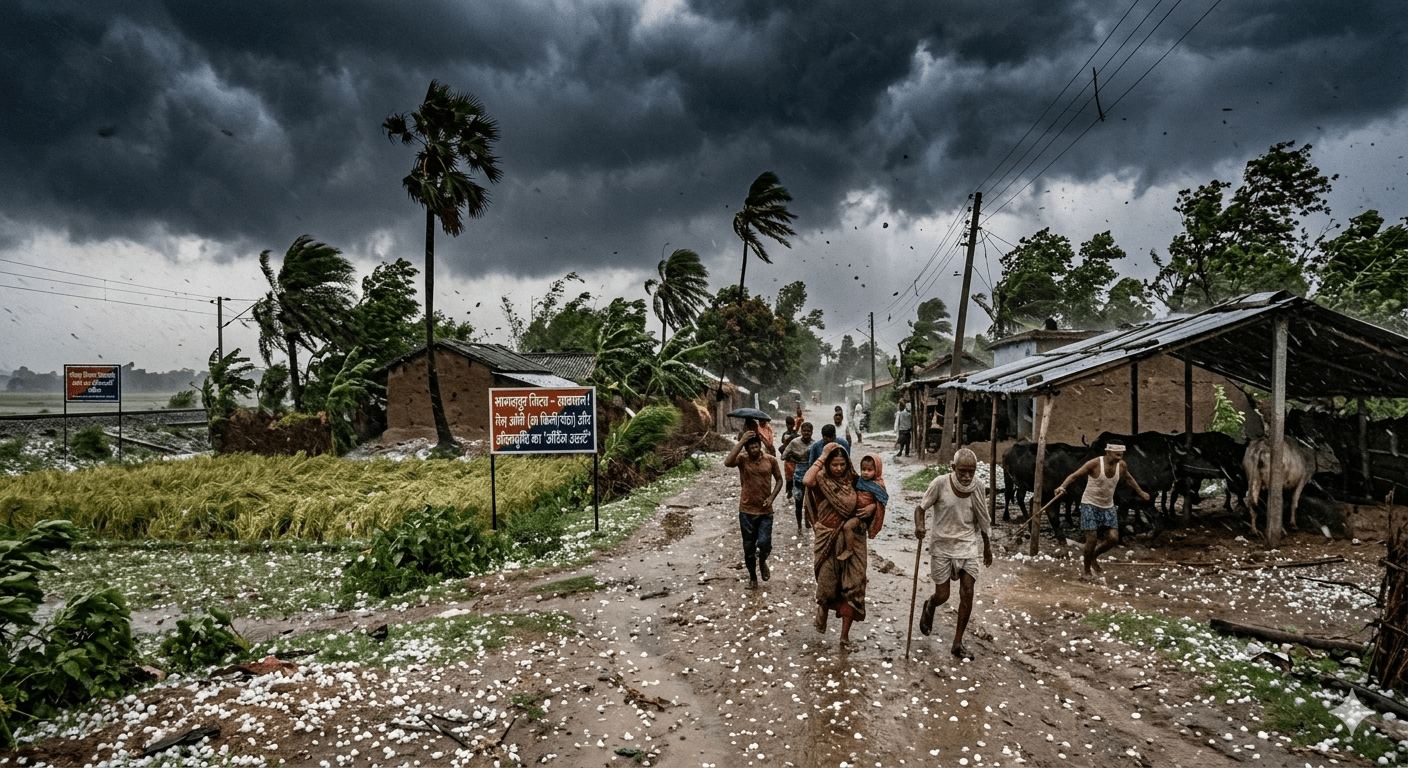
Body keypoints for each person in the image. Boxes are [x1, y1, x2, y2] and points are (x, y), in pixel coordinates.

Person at [915, 448, 993, 660]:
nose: (967, 476)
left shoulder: (978, 486)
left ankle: (957, 643)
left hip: (967, 545)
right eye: (962, 471)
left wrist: (987, 546)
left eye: (971, 471)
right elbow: (920, 509)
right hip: (942, 544)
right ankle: (930, 604)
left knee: (967, 593)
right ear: (953, 468)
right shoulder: (940, 483)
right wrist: (920, 526)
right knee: (943, 595)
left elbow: (983, 517)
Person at [804, 442, 875, 648]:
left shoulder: (854, 480)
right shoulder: (820, 479)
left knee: (854, 586)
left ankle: (844, 636)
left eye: (842, 464)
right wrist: (823, 455)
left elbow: (876, 494)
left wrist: (872, 507)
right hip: (827, 536)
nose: (838, 469)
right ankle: (823, 609)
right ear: (827, 464)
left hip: (853, 537)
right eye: (834, 464)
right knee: (827, 584)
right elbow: (807, 480)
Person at [1052, 443, 1149, 581]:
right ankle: (1086, 571)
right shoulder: (1095, 463)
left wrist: (1141, 492)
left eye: (1121, 455)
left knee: (1113, 538)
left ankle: (1094, 557)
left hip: (1107, 506)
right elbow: (1075, 475)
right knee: (1092, 538)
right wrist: (1062, 487)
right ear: (1108, 452)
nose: (1120, 457)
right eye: (1117, 454)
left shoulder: (1121, 466)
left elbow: (1129, 478)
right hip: (1089, 504)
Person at [723, 429, 784, 587]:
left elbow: (779, 480)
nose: (755, 450)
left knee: (764, 543)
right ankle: (752, 577)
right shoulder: (742, 460)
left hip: (765, 512)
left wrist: (772, 498)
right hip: (746, 511)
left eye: (757, 447)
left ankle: (762, 561)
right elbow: (727, 462)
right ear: (747, 449)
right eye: (751, 448)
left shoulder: (770, 460)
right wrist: (742, 441)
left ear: (760, 446)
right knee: (748, 549)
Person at [781, 421, 814, 531]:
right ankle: (799, 525)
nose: (806, 433)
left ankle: (807, 520)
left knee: (810, 502)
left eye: (808, 431)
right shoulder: (794, 442)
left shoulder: (815, 444)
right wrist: (795, 459)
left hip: (811, 476)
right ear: (801, 431)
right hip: (798, 476)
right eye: (804, 431)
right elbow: (783, 456)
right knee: (798, 501)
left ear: (812, 432)